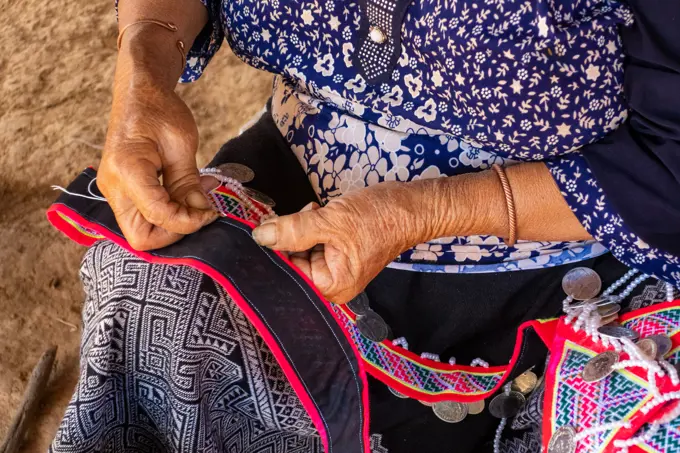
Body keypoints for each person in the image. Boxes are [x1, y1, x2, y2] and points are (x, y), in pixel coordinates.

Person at [50, 0, 680, 451]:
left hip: (582, 235)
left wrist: (422, 211)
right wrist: (145, 63)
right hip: (302, 186)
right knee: (152, 286)